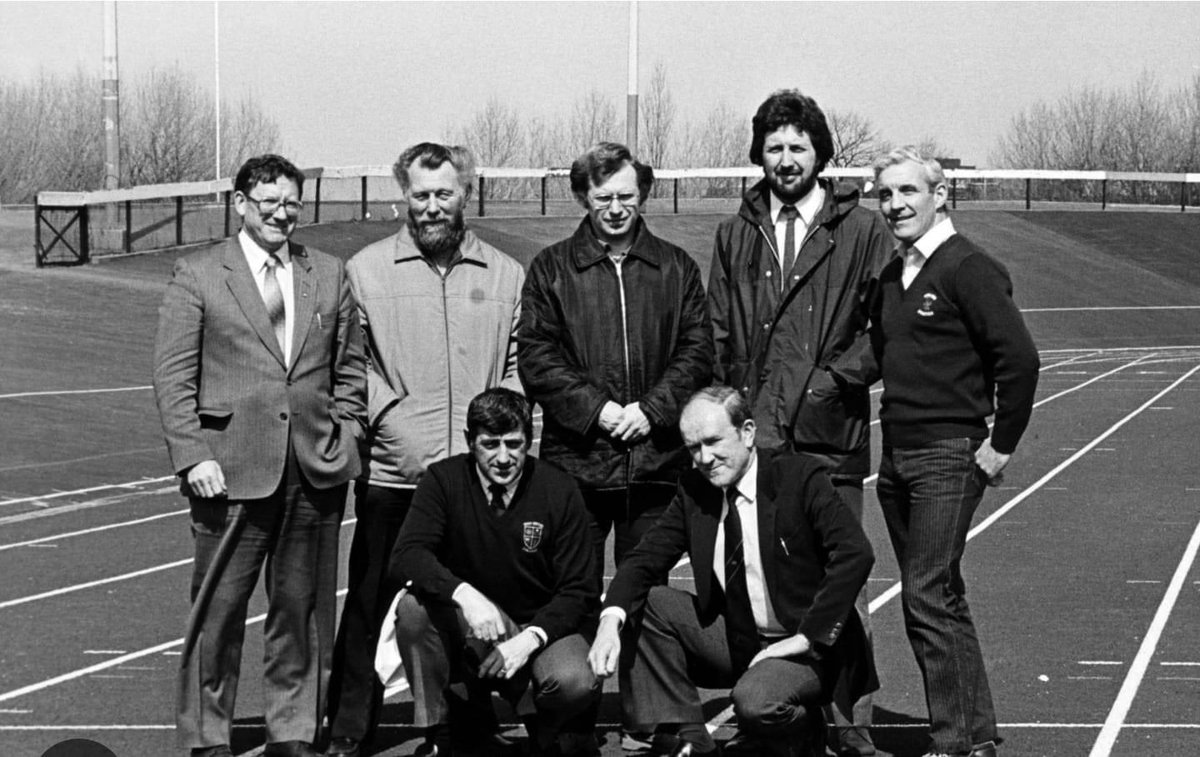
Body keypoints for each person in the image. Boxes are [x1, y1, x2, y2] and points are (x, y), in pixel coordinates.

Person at [153, 154, 367, 757]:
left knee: (301, 613)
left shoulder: (327, 272)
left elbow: (350, 368)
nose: (281, 212)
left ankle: (294, 730)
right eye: (268, 200)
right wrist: (193, 455)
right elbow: (172, 378)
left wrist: (344, 433)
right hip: (227, 473)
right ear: (241, 203)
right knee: (217, 616)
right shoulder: (198, 273)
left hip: (313, 471)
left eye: (291, 202)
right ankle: (207, 735)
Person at [707, 89, 892, 756]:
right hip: (758, 438)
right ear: (759, 153)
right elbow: (720, 329)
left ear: (820, 153)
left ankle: (850, 720)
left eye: (798, 146)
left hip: (827, 437)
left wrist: (827, 382)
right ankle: (781, 702)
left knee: (841, 580)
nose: (786, 159)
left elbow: (883, 329)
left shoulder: (862, 230)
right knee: (763, 576)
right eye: (774, 147)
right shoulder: (737, 233)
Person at [325, 142, 525, 757]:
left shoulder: (505, 273)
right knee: (368, 604)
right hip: (397, 474)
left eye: (444, 193)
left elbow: (520, 368)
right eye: (420, 194)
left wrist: (495, 437)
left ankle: (466, 722)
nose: (432, 206)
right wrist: (392, 422)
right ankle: (347, 730)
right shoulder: (364, 270)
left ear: (465, 193)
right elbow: (351, 365)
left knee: (472, 603)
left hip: (476, 479)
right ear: (402, 197)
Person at [588, 386, 876, 757]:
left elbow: (855, 552)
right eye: (693, 448)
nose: (704, 458)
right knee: (649, 603)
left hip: (803, 645)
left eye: (713, 441)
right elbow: (644, 560)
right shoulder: (696, 489)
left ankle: (803, 729)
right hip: (739, 637)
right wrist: (610, 620)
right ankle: (690, 736)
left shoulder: (799, 477)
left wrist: (806, 637)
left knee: (756, 702)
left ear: (748, 433)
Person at [869, 147, 1040, 757]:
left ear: (941, 195)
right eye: (885, 194)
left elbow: (1019, 361)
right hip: (896, 457)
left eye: (908, 192)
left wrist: (1002, 445)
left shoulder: (968, 268)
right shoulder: (893, 277)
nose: (895, 205)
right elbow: (876, 356)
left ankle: (954, 741)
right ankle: (974, 736)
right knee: (939, 596)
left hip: (948, 453)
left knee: (925, 592)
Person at [518, 141, 712, 589]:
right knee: (571, 594)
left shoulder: (676, 267)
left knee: (643, 598)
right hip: (577, 468)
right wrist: (597, 410)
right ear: (584, 197)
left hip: (656, 469)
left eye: (626, 196)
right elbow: (537, 354)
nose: (616, 208)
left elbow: (697, 350)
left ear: (642, 194)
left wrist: (651, 411)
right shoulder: (551, 268)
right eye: (604, 197)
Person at [389, 388, 601, 757]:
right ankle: (444, 730)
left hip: (541, 626)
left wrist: (531, 637)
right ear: (470, 441)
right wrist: (464, 594)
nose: (503, 457)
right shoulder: (443, 480)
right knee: (413, 610)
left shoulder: (560, 489)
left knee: (573, 680)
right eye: (490, 444)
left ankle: (549, 727)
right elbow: (407, 554)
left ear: (529, 440)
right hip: (472, 624)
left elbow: (580, 589)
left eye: (514, 444)